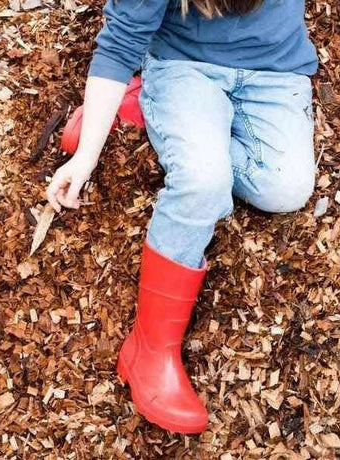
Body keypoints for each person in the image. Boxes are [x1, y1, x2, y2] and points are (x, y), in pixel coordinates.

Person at [46, 0, 318, 434]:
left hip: (275, 72)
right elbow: (119, 45)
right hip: (185, 66)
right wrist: (86, 157)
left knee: (284, 190)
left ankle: (152, 111)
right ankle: (149, 351)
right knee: (202, 182)